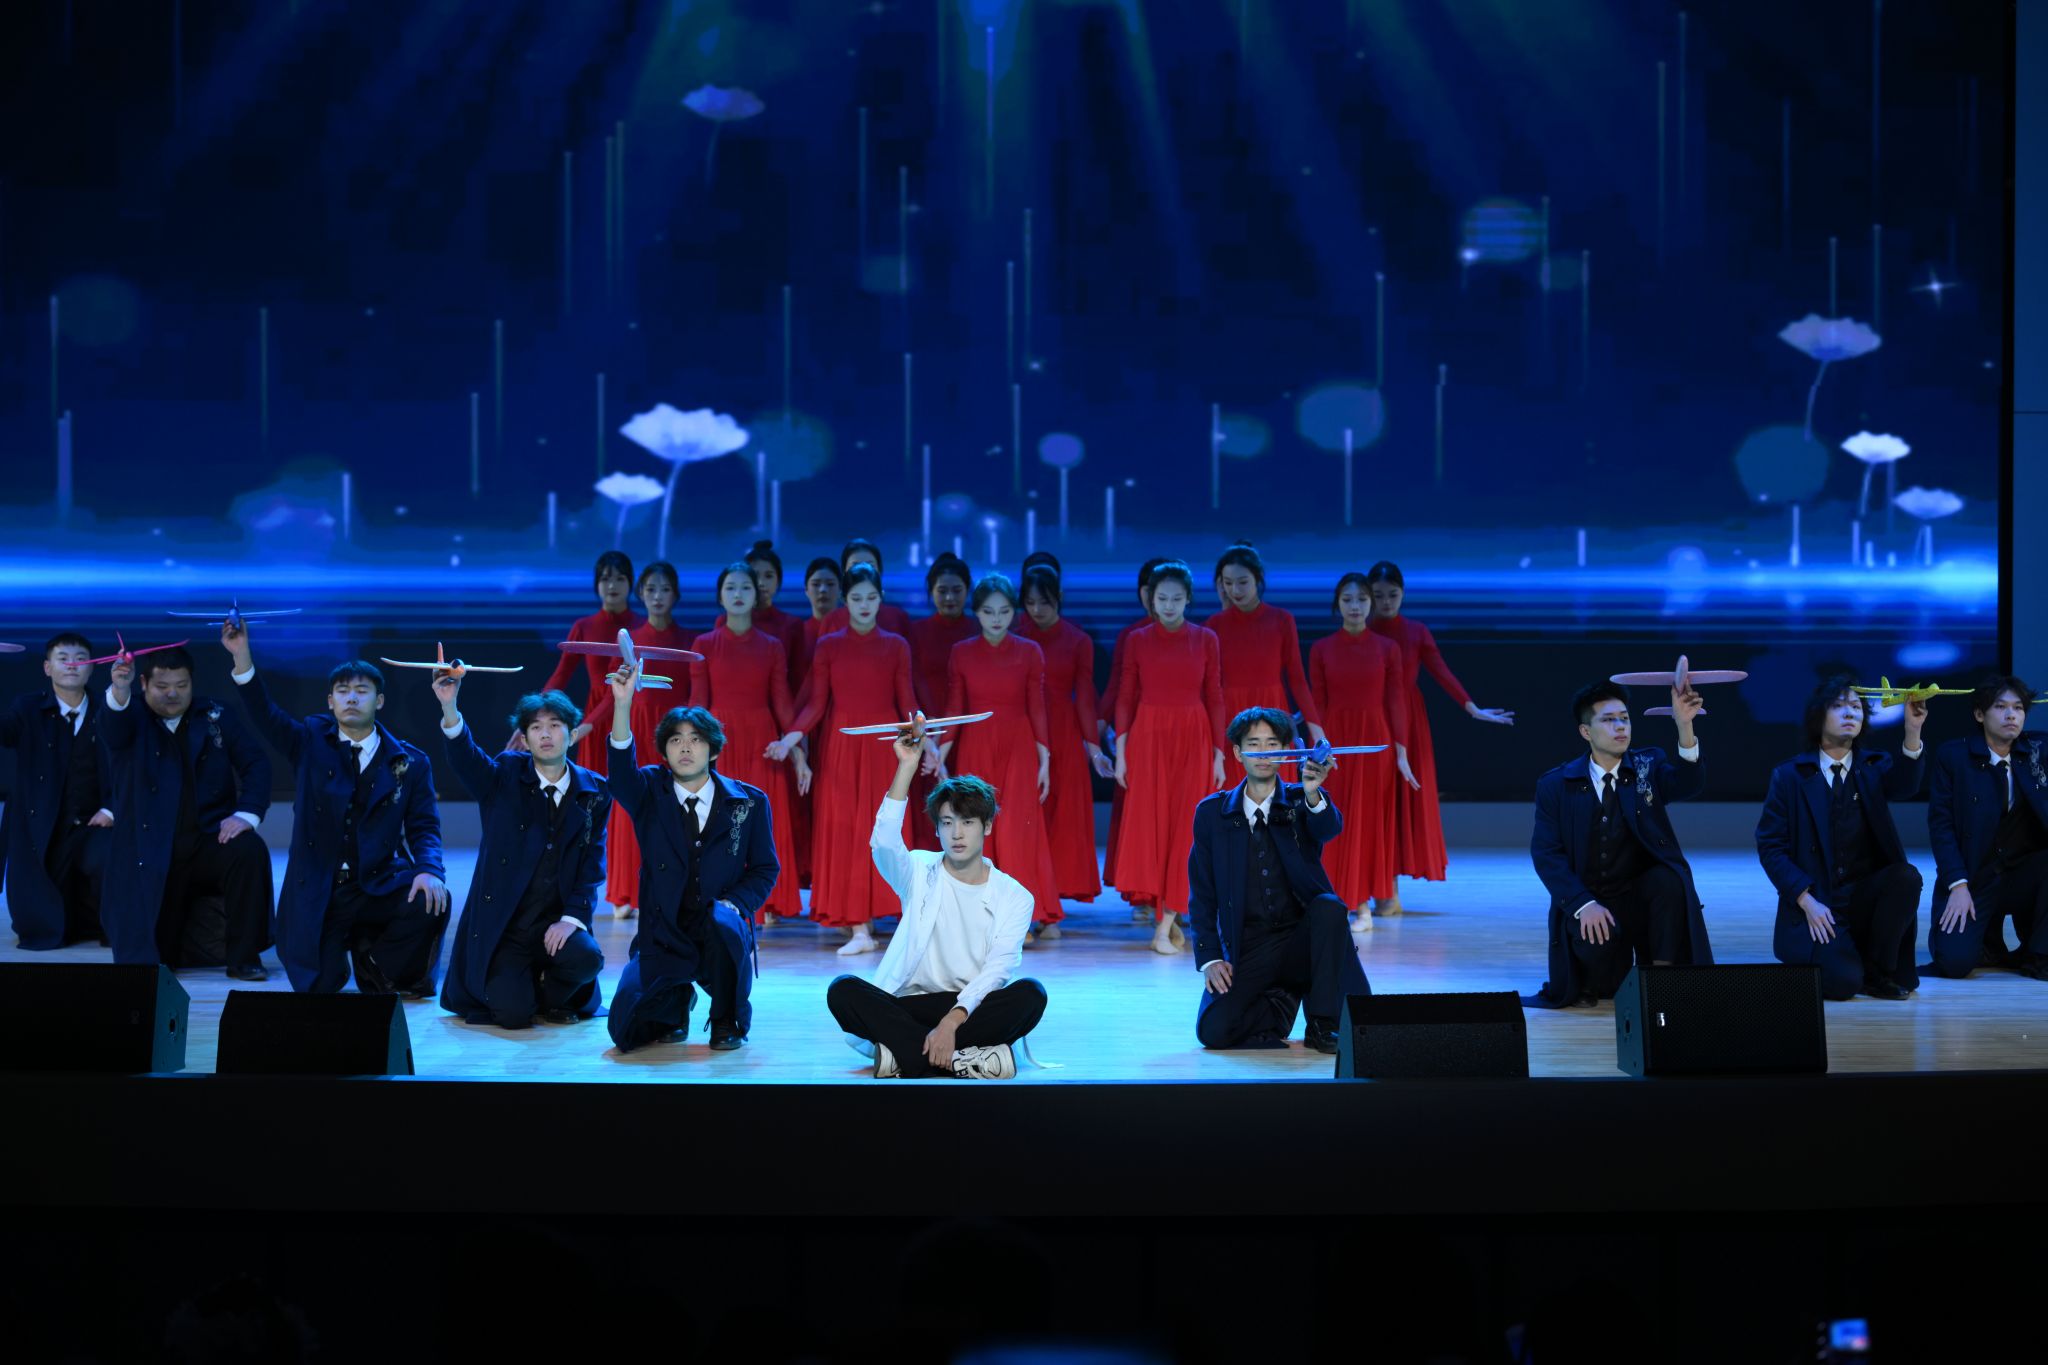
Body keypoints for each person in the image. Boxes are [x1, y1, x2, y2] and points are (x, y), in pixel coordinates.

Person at [225, 628, 449, 994]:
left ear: (379, 700)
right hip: (320, 890)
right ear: (330, 702)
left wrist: (428, 869)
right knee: (320, 986)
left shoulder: (411, 762)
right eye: (343, 691)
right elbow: (265, 715)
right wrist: (241, 656)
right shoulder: (309, 742)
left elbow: (424, 827)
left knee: (430, 897)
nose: (352, 698)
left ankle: (376, 963)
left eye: (362, 691)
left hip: (377, 883)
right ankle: (341, 949)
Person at [826, 714, 1047, 1078]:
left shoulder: (1014, 896)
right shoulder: (918, 869)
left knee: (1031, 994)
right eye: (947, 822)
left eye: (967, 822)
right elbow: (884, 843)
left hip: (970, 1008)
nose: (957, 833)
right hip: (911, 1005)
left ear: (987, 826)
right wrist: (907, 767)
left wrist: (951, 1022)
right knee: (844, 990)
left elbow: (998, 969)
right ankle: (962, 1061)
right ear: (937, 829)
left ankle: (906, 1057)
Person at [605, 674, 779, 1052]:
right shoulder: (649, 791)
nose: (685, 747)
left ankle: (725, 1017)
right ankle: (677, 999)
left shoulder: (749, 801)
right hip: (663, 932)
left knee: (722, 926)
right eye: (676, 740)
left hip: (719, 930)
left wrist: (735, 904)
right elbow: (619, 775)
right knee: (625, 1031)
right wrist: (622, 703)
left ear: (713, 750)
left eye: (696, 739)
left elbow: (766, 868)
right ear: (664, 753)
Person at [1189, 707, 1367, 1052]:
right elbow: (1202, 892)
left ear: (1286, 752)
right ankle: (1281, 1000)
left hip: (1302, 937)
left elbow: (1328, 828)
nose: (1263, 752)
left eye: (1272, 744)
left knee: (1329, 907)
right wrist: (1209, 957)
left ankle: (1323, 1023)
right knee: (1214, 1031)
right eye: (1254, 744)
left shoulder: (1302, 800)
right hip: (1250, 946)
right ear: (1238, 753)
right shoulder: (1212, 813)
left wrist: (1313, 792)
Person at [435, 676, 609, 1028]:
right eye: (536, 727)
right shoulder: (505, 775)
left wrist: (572, 919)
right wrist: (449, 706)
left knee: (587, 958)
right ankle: (524, 987)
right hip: (508, 929)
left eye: (555, 725)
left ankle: (551, 994)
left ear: (573, 735)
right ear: (525, 740)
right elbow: (467, 760)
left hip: (556, 924)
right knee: (513, 1015)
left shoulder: (594, 791)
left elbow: (591, 865)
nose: (546, 734)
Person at [1528, 681, 1712, 1007]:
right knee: (1605, 988)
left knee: (1669, 880)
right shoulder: (1556, 784)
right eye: (1609, 719)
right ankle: (1597, 969)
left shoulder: (1647, 766)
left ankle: (1659, 981)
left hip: (1638, 899)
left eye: (1624, 718)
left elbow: (1687, 784)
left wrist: (1685, 726)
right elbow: (1546, 854)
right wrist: (1583, 904)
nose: (1620, 727)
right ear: (1586, 731)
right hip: (1591, 902)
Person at [99, 646, 275, 979]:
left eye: (181, 685)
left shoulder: (215, 715)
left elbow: (256, 762)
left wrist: (247, 815)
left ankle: (244, 957)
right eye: (162, 686)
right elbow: (113, 726)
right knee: (157, 958)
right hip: (151, 849)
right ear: (143, 684)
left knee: (248, 850)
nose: (173, 694)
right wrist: (119, 689)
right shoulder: (130, 716)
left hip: (208, 838)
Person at [773, 564, 921, 955]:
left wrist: (929, 740)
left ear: (881, 599)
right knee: (848, 833)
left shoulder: (896, 646)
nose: (864, 605)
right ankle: (859, 928)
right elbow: (817, 704)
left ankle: (895, 917)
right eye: (856, 598)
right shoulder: (829, 645)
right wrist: (791, 739)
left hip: (883, 750)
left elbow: (907, 702)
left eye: (871, 597)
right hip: (842, 749)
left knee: (885, 830)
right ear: (845, 601)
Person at [1755, 675, 1927, 1001]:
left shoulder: (1874, 766)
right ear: (1818, 716)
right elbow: (1770, 846)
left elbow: (1906, 785)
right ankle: (1842, 961)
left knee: (1906, 877)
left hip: (1863, 898)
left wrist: (1912, 730)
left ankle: (1877, 969)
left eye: (1856, 707)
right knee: (1844, 983)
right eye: (1838, 706)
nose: (1850, 713)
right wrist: (1806, 900)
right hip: (1819, 903)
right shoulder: (1790, 776)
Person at [1364, 561, 1515, 914]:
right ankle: (1374, 887)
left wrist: (1472, 707)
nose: (1385, 602)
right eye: (1378, 595)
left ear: (1403, 594)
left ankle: (1389, 889)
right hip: (1370, 718)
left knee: (1399, 801)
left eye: (1392, 595)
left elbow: (1441, 672)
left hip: (1407, 721)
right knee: (1374, 801)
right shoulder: (1361, 631)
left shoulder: (1415, 632)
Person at [1112, 560, 1228, 955]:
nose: (1168, 605)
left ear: (1188, 599)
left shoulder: (1206, 639)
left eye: (1177, 598)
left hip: (1193, 737)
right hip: (1148, 737)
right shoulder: (1138, 640)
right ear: (1150, 599)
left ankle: (1166, 924)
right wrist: (1122, 752)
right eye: (1162, 598)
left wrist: (1218, 753)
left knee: (1185, 830)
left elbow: (1214, 696)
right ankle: (1167, 920)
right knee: (1155, 829)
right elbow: (1125, 696)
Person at [940, 573, 1061, 936]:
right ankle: (978, 916)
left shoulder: (1029, 651)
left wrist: (1045, 760)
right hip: (976, 746)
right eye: (989, 611)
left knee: (1018, 831)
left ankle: (1020, 918)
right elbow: (956, 707)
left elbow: (1037, 708)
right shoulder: (962, 652)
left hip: (1019, 748)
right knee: (977, 829)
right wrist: (941, 754)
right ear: (976, 612)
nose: (997, 618)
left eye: (1005, 611)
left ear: (1014, 612)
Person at [689, 561, 809, 925]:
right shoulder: (704, 644)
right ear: (720, 596)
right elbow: (698, 704)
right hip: (720, 745)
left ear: (757, 596)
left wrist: (797, 753)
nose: (738, 594)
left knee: (760, 823)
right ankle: (721, 898)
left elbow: (783, 705)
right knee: (719, 823)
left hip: (761, 743)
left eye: (745, 587)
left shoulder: (771, 646)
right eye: (730, 588)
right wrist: (691, 750)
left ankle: (764, 900)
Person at [1310, 574, 1419, 930]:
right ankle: (1335, 901)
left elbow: (1396, 702)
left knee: (1368, 824)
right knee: (1335, 821)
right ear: (1337, 604)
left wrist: (1401, 754)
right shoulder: (1322, 649)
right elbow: (1318, 703)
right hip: (1337, 743)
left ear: (1371, 604)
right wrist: (1319, 749)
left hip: (1374, 744)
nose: (1355, 606)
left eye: (1361, 600)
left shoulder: (1387, 648)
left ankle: (1363, 906)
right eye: (1347, 600)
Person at [1926, 674, 2048, 979]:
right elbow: (1941, 826)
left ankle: (2038, 954)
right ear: (1980, 714)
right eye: (2001, 707)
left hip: (2020, 872)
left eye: (2018, 708)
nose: (2011, 715)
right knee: (1955, 962)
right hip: (1974, 877)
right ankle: (1987, 943)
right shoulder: (1954, 756)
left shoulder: (2037, 750)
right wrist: (1957, 885)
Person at [1, 633, 114, 949]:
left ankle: (106, 923)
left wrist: (112, 807)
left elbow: (129, 765)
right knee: (41, 922)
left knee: (109, 857)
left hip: (94, 822)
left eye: (80, 659)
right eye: (63, 659)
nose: (72, 665)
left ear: (92, 666)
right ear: (47, 667)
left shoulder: (108, 710)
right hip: (40, 823)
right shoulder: (27, 709)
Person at [1016, 565, 1112, 907]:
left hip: (1064, 732)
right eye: (1030, 602)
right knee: (1028, 815)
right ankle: (1029, 898)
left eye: (1044, 602)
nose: (1037, 610)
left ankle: (1052, 900)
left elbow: (1085, 697)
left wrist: (1094, 750)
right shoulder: (1016, 635)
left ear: (1059, 598)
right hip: (1024, 730)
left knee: (1061, 816)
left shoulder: (1078, 640)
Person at [604, 559, 693, 921]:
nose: (658, 596)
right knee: (633, 805)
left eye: (665, 589)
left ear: (676, 595)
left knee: (674, 810)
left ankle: (671, 887)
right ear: (640, 594)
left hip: (674, 731)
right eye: (651, 589)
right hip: (638, 727)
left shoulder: (689, 641)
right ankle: (627, 888)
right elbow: (614, 689)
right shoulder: (629, 639)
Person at [1205, 542, 1326, 747]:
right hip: (1231, 719)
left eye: (1243, 582)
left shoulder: (1281, 620)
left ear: (1258, 578)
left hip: (1272, 713)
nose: (1235, 590)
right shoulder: (1213, 626)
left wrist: (1317, 732)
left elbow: (1297, 681)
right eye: (1228, 582)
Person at [1100, 556, 1170, 909]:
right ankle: (1143, 893)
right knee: (1143, 817)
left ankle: (1172, 897)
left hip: (1179, 733)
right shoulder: (1134, 635)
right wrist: (1101, 726)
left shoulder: (1195, 634)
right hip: (1142, 732)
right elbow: (1119, 688)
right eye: (1152, 590)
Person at [537, 549, 643, 775]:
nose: (612, 585)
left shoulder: (641, 627)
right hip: (595, 717)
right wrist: (536, 711)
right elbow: (561, 674)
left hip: (632, 713)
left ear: (631, 583)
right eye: (605, 579)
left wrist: (584, 727)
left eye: (620, 578)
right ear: (597, 584)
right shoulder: (584, 627)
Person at [904, 553, 976, 849]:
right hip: (929, 727)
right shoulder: (917, 631)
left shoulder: (978, 629)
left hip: (968, 728)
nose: (949, 597)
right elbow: (915, 680)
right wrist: (929, 724)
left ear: (968, 590)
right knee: (930, 800)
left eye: (957, 590)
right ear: (930, 591)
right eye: (942, 590)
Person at [744, 539, 808, 677]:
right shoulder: (726, 622)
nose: (761, 583)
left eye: (769, 576)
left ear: (778, 581)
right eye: (755, 575)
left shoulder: (792, 625)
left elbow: (798, 678)